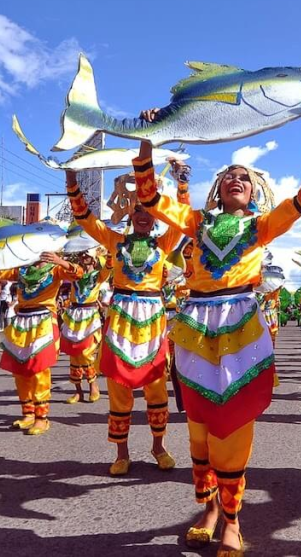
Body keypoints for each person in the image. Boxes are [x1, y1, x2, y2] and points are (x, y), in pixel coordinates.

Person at [133, 94, 301, 556]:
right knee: (199, 424)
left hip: (241, 324)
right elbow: (149, 196)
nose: (237, 179)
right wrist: (148, 140)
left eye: (245, 177)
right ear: (217, 188)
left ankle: (234, 518)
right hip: (195, 326)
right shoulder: (195, 222)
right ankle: (209, 507)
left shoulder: (262, 226)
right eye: (229, 176)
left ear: (255, 192)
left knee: (233, 423)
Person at [67, 168, 183, 477]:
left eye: (149, 211)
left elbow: (183, 219)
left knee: (157, 389)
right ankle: (122, 453)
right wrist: (71, 184)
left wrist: (182, 185)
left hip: (153, 321)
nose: (144, 216)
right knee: (119, 389)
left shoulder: (165, 244)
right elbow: (85, 220)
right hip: (120, 319)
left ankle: (158, 447)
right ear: (130, 212)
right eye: (138, 210)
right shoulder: (113, 239)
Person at [0, 253, 78, 436]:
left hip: (44, 320)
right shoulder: (22, 268)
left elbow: (78, 274)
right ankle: (28, 413)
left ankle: (42, 418)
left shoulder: (55, 269)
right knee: (20, 370)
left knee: (39, 369)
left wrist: (61, 261)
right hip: (22, 320)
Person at [59, 249, 109, 404]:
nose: (84, 256)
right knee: (74, 353)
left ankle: (93, 384)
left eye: (87, 254)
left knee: (86, 352)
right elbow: (66, 269)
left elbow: (109, 267)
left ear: (94, 258)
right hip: (74, 313)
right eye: (81, 254)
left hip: (89, 314)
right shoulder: (75, 273)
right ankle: (78, 391)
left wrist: (111, 253)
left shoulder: (99, 275)